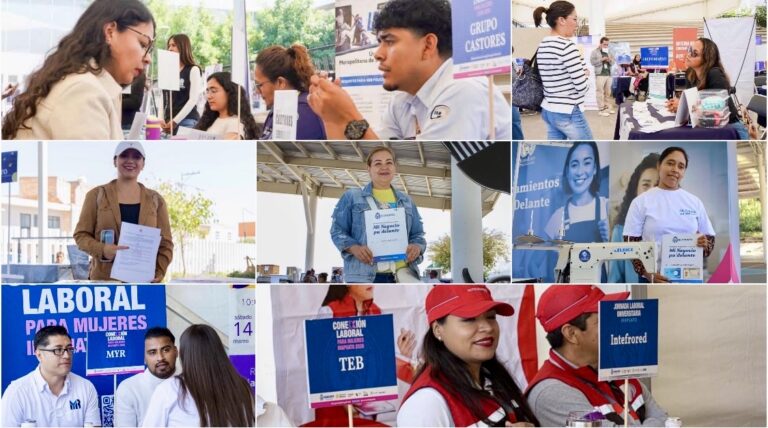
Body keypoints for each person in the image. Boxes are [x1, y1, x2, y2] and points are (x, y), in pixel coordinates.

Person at [308, 0, 511, 140]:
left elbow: (430, 170)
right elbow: (371, 157)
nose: (377, 54)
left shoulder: (463, 90)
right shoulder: (403, 101)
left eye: (389, 41)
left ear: (428, 45)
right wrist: (331, 116)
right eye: (379, 42)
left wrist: (349, 117)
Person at [2, 0, 155, 140]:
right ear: (110, 32)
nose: (148, 58)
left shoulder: (82, 82)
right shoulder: (84, 90)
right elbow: (91, 161)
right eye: (142, 44)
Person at [526, 285, 668, 426]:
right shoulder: (552, 392)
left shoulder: (614, 367)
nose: (616, 326)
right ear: (571, 334)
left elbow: (664, 419)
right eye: (604, 320)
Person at [398, 285, 539, 427]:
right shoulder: (426, 403)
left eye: (491, 317)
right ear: (437, 330)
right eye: (469, 319)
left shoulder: (493, 377)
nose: (488, 327)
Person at [311, 284, 416, 426]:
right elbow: (320, 366)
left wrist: (403, 356)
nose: (370, 283)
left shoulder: (377, 312)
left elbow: (380, 363)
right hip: (335, 410)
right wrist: (343, 400)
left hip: (367, 407)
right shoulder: (329, 311)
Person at [73, 141, 173, 282]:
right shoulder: (96, 195)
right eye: (124, 155)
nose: (130, 161)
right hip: (105, 282)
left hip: (143, 282)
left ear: (143, 164)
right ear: (115, 161)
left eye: (136, 157)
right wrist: (103, 249)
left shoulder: (156, 200)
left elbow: (166, 243)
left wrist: (159, 271)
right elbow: (81, 235)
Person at [331, 146, 426, 283]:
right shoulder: (352, 197)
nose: (384, 167)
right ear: (368, 169)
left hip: (402, 276)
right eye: (377, 163)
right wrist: (354, 248)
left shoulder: (407, 201)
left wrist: (416, 247)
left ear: (395, 167)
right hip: (365, 277)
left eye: (389, 162)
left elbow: (418, 235)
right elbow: (337, 230)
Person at [623, 147, 715, 283]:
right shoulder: (641, 202)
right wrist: (647, 273)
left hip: (689, 277)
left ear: (684, 172)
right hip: (654, 278)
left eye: (681, 166)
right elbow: (630, 243)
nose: (675, 170)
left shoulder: (694, 202)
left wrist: (704, 244)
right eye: (670, 163)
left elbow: (709, 240)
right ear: (659, 165)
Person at [142, 324, 255, 427]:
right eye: (152, 352)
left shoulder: (169, 389)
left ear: (182, 353)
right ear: (219, 351)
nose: (160, 357)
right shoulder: (241, 386)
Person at [2, 326, 100, 427]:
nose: (67, 355)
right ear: (39, 355)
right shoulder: (17, 392)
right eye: (58, 350)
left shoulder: (86, 387)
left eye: (69, 349)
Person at [665, 37, 749, 139]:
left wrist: (685, 107)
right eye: (690, 50)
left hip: (730, 129)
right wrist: (680, 105)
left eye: (694, 53)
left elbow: (718, 109)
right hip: (707, 126)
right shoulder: (691, 74)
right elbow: (693, 102)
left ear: (706, 58)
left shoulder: (715, 74)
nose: (688, 54)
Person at [534, 1, 594, 140]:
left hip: (549, 109)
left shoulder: (543, 44)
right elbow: (582, 88)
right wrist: (585, 75)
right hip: (568, 111)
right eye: (574, 19)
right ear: (561, 20)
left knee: (556, 149)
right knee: (588, 148)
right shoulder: (567, 46)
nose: (576, 24)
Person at [255, 44, 326, 140]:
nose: (257, 91)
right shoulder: (279, 109)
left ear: (280, 83)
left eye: (259, 85)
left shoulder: (304, 114)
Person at [608, 153, 659, 283]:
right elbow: (615, 281)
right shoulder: (620, 231)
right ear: (635, 189)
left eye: (658, 186)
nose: (651, 192)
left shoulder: (676, 227)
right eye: (646, 185)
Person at [545, 142, 608, 244]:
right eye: (574, 165)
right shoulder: (557, 218)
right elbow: (548, 253)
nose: (579, 172)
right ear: (567, 171)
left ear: (595, 168)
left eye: (587, 163)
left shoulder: (607, 208)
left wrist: (612, 239)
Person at [115, 327, 180, 427]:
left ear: (176, 351)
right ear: (145, 358)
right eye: (152, 352)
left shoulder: (191, 385)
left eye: (166, 350)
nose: (160, 358)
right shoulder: (128, 389)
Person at [194, 71, 259, 139]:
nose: (209, 96)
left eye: (213, 91)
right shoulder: (210, 119)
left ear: (230, 92)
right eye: (207, 91)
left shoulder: (235, 123)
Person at [162, 34, 203, 135]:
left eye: (173, 45)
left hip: (187, 121)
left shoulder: (193, 69)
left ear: (183, 47)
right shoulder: (168, 71)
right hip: (169, 122)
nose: (170, 49)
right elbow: (163, 98)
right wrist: (161, 119)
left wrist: (175, 121)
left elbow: (193, 99)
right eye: (169, 46)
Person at [590, 37, 615, 117]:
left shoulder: (609, 52)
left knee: (608, 92)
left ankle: (607, 108)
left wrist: (609, 60)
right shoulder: (595, 52)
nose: (606, 46)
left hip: (608, 74)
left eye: (607, 44)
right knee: (600, 92)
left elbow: (613, 62)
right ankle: (601, 109)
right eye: (604, 44)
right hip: (600, 74)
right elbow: (592, 62)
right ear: (600, 43)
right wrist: (601, 60)